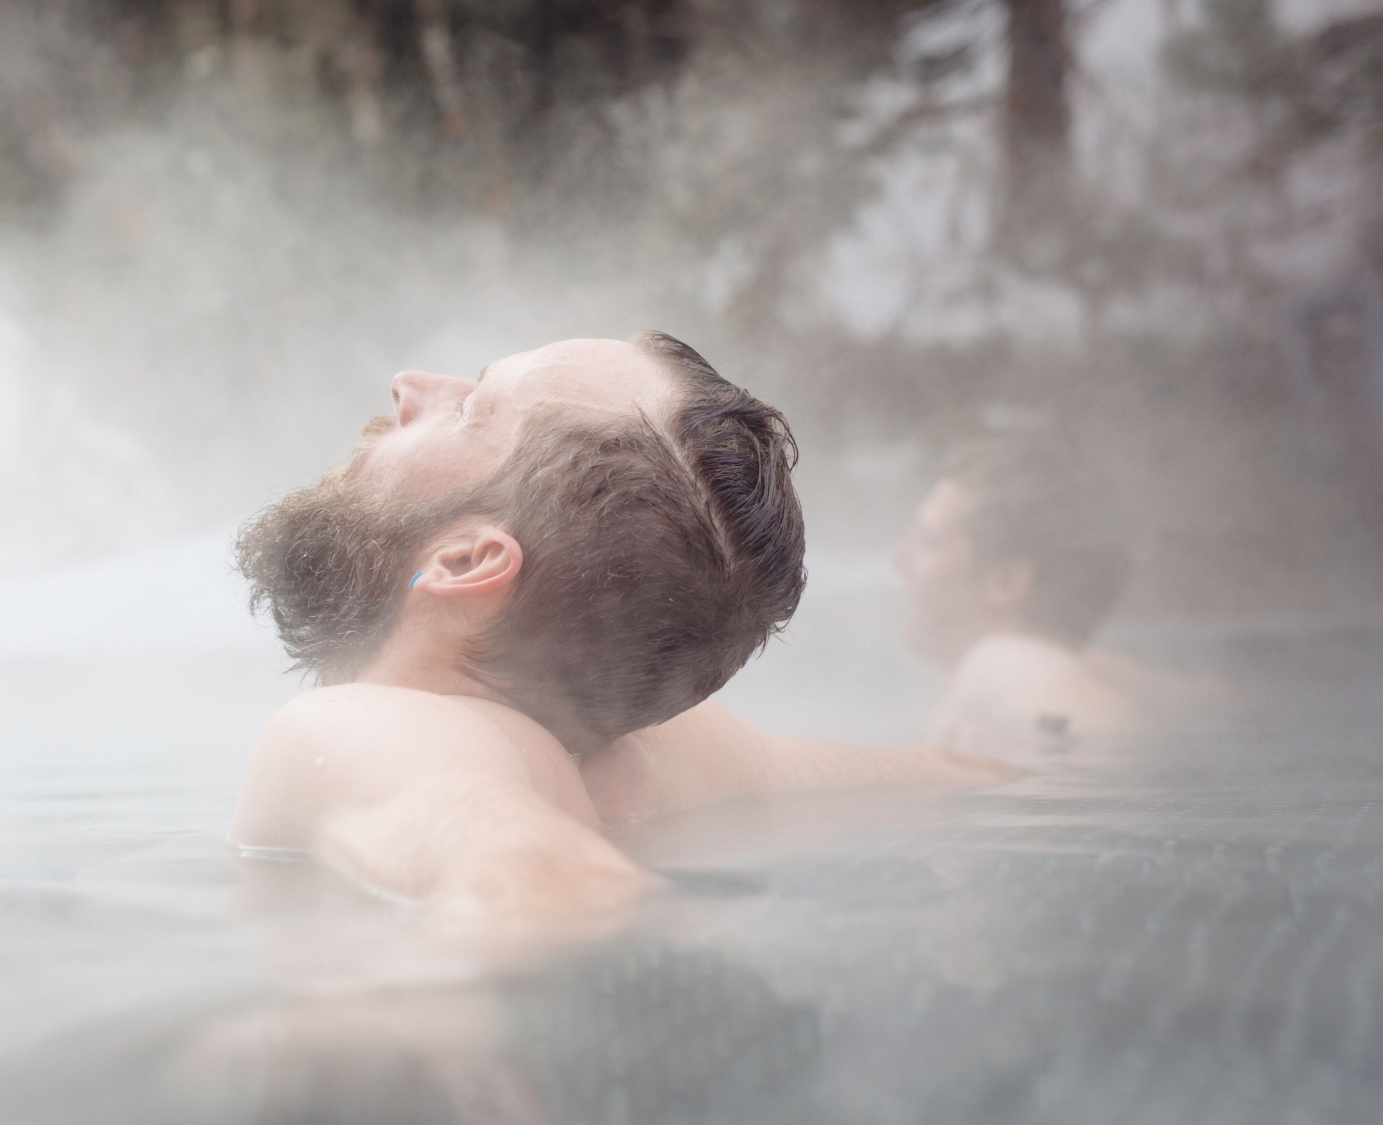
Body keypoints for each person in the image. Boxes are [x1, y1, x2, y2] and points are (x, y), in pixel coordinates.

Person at [231, 334, 1008, 926]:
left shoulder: (356, 731)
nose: (412, 385)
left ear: (466, 560)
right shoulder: (667, 762)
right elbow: (960, 774)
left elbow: (540, 877)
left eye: (471, 411)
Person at [891, 438, 1161, 762]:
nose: (897, 557)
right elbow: (1218, 697)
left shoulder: (999, 658)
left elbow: (1108, 735)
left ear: (1003, 583)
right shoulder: (1094, 668)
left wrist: (957, 769)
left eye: (929, 541)